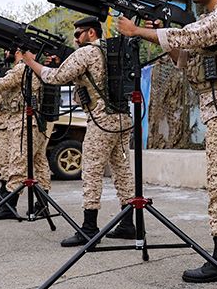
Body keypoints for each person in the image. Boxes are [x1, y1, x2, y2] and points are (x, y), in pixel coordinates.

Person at [118, 0, 217, 283]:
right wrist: (161, 36)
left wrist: (138, 31)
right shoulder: (213, 21)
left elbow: (185, 36)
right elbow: (184, 59)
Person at [20, 16, 135, 247]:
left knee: (91, 171)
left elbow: (54, 77)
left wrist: (29, 61)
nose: (75, 39)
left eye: (79, 34)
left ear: (91, 33)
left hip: (101, 120)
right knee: (122, 171)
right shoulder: (106, 50)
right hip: (121, 117)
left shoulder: (86, 53)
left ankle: (89, 228)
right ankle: (128, 224)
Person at [0, 50, 52, 220]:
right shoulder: (30, 69)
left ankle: (8, 206)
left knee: (17, 164)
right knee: (39, 164)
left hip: (24, 123)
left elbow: (0, 84)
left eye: (7, 50)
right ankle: (42, 205)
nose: (5, 53)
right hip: (35, 123)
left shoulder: (21, 68)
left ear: (18, 52)